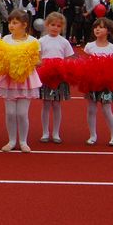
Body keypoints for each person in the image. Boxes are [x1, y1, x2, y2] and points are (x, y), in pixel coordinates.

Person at [0, 10, 42, 153]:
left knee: (21, 113)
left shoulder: (33, 41)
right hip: (9, 80)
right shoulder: (6, 39)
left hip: (25, 80)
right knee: (9, 112)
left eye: (15, 23)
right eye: (10, 22)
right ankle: (11, 140)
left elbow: (39, 61)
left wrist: (25, 60)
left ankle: (23, 141)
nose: (11, 25)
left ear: (24, 25)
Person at [83, 18, 113, 146]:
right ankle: (92, 135)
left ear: (108, 31)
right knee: (91, 109)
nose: (97, 29)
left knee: (107, 109)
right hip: (92, 83)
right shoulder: (89, 46)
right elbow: (85, 63)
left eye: (101, 27)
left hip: (106, 85)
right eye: (96, 27)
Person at [38, 12, 74, 144]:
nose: (55, 28)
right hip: (46, 76)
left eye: (58, 26)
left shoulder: (64, 42)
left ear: (62, 28)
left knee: (57, 104)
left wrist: (63, 68)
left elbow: (69, 59)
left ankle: (56, 132)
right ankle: (45, 132)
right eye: (52, 25)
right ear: (47, 25)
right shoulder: (41, 41)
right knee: (46, 104)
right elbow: (38, 58)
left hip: (59, 77)